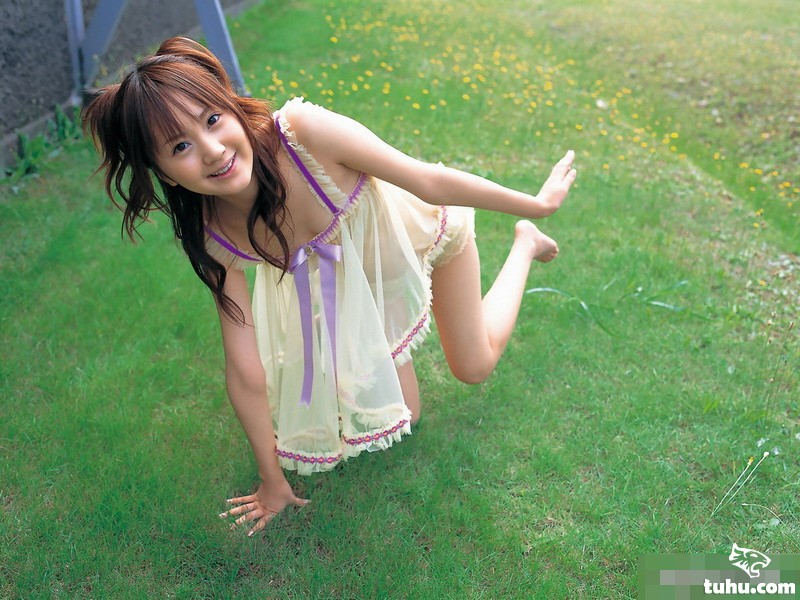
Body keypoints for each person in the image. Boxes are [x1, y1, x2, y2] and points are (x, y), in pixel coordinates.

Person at [83, 37, 577, 536]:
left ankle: (525, 244)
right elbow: (244, 365)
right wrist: (271, 480)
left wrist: (536, 205)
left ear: (232, 107)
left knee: (473, 367)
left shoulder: (304, 135)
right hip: (351, 291)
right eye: (180, 147)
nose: (213, 151)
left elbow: (426, 180)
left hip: (422, 240)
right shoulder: (211, 233)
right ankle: (372, 341)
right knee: (407, 416)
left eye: (212, 119)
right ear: (162, 172)